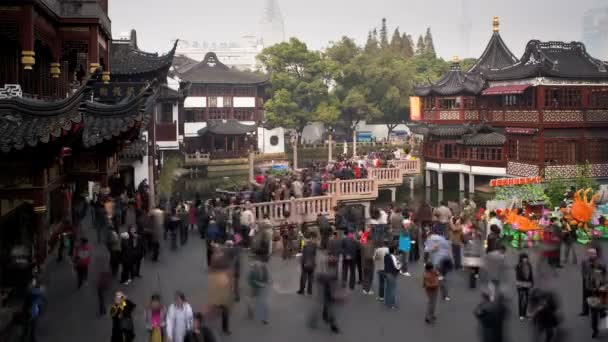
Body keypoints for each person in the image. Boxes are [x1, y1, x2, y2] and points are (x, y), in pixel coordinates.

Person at [425, 229, 453, 301]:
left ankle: (434, 292)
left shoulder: (430, 239)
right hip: (445, 260)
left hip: (437, 261)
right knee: (443, 277)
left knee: (436, 277)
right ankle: (445, 295)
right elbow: (448, 248)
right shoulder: (443, 239)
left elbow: (428, 250)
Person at [247, 251, 270, 324]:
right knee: (252, 300)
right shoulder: (254, 267)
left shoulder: (263, 267)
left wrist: (264, 283)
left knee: (261, 302)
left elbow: (266, 277)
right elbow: (250, 279)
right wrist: (259, 283)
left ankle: (263, 318)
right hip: (254, 286)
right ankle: (251, 311)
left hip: (259, 287)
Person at [515, 253, 534, 320]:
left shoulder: (529, 265)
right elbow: (518, 276)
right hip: (520, 285)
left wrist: (532, 282)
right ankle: (521, 314)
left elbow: (531, 274)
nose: (525, 259)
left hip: (527, 284)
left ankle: (524, 313)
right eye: (524, 258)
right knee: (521, 299)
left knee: (526, 299)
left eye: (526, 258)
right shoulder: (518, 266)